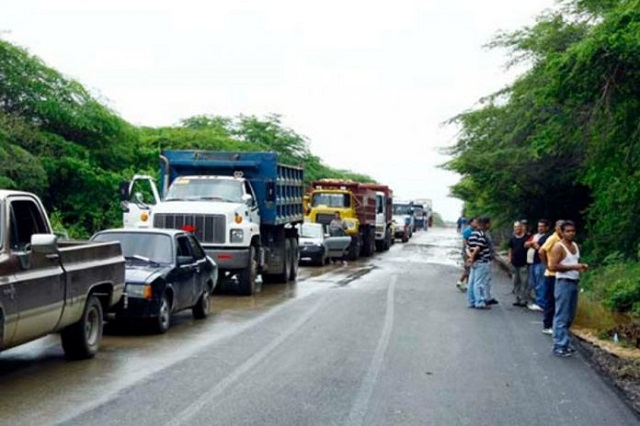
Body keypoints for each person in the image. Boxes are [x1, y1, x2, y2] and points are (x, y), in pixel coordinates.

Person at [549, 221, 588, 357]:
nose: (571, 233)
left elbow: (573, 262)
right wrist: (573, 267)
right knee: (561, 315)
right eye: (568, 231)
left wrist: (580, 267)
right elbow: (552, 266)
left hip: (573, 282)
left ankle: (564, 342)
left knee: (570, 315)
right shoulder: (558, 247)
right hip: (563, 283)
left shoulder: (575, 246)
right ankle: (559, 345)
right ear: (562, 232)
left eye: (573, 231)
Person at [538, 220, 565, 335]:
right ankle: (547, 325)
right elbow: (541, 251)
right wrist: (547, 265)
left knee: (558, 300)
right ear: (556, 228)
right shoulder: (552, 239)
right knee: (551, 300)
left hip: (560, 274)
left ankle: (556, 324)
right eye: (559, 228)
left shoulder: (563, 240)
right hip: (551, 275)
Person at [466, 216, 492, 310]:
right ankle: (479, 302)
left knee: (471, 282)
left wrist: (470, 257)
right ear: (486, 224)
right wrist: (472, 258)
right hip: (482, 261)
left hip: (475, 262)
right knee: (479, 283)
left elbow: (468, 247)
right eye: (489, 223)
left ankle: (471, 301)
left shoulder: (473, 234)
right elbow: (478, 247)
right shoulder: (481, 234)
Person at [525, 219, 550, 312]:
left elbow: (540, 248)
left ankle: (541, 303)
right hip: (533, 261)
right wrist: (532, 244)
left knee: (541, 283)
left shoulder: (547, 237)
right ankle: (537, 301)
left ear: (547, 227)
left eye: (542, 226)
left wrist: (533, 244)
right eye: (539, 226)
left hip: (541, 262)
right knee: (534, 282)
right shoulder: (535, 236)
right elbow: (526, 244)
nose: (540, 228)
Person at [508, 221, 529, 307]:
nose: (517, 229)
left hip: (524, 263)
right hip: (514, 263)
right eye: (515, 227)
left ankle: (524, 299)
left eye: (518, 227)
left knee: (524, 282)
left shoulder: (527, 238)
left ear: (522, 228)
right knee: (515, 282)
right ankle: (518, 298)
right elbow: (510, 249)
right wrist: (509, 259)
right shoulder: (512, 238)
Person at [456, 217, 477, 292]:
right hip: (467, 252)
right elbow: (465, 243)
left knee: (470, 269)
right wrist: (468, 252)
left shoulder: (475, 231)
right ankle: (461, 281)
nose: (476, 224)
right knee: (468, 268)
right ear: (471, 223)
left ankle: (466, 284)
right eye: (475, 222)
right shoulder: (468, 231)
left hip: (472, 252)